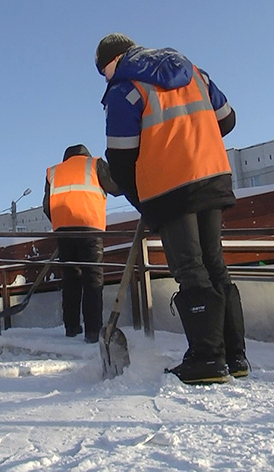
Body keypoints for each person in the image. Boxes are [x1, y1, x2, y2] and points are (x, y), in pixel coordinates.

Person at [94, 33, 249, 384]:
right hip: (211, 174)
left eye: (102, 70)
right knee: (215, 265)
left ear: (114, 60)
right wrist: (191, 140)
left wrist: (143, 199)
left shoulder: (125, 89)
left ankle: (207, 360)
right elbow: (227, 119)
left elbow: (120, 160)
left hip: (170, 188)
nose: (104, 78)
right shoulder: (194, 72)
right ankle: (233, 356)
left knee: (191, 270)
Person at [43, 144, 121, 343]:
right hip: (89, 229)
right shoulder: (95, 165)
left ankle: (71, 328)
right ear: (84, 154)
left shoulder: (53, 172)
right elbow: (117, 187)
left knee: (70, 279)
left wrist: (62, 223)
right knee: (93, 278)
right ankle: (93, 332)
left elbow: (46, 207)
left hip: (64, 233)